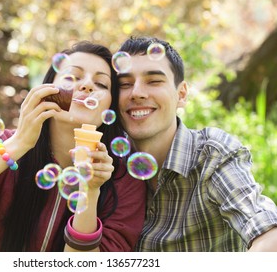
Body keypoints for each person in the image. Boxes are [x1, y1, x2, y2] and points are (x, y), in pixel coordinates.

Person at [0, 41, 146, 252]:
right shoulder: (3, 143)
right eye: (73, 76)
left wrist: (90, 190)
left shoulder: (121, 177)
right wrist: (18, 143)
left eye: (101, 84)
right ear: (48, 90)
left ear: (110, 105)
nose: (87, 85)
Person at [116, 36, 277, 252]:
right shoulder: (108, 165)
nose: (136, 93)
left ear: (181, 94)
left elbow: (267, 232)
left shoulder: (212, 155)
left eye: (154, 81)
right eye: (125, 84)